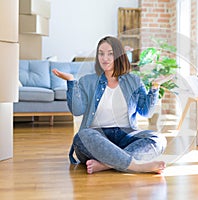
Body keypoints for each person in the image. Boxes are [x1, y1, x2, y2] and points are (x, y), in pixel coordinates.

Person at [52, 36, 173, 174]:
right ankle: (137, 166)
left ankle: (105, 164)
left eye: (110, 53)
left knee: (159, 140)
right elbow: (77, 110)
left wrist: (154, 87)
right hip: (96, 139)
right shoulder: (88, 81)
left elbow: (146, 112)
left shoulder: (133, 80)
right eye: (101, 53)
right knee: (82, 136)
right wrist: (71, 82)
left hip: (125, 136)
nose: (105, 58)